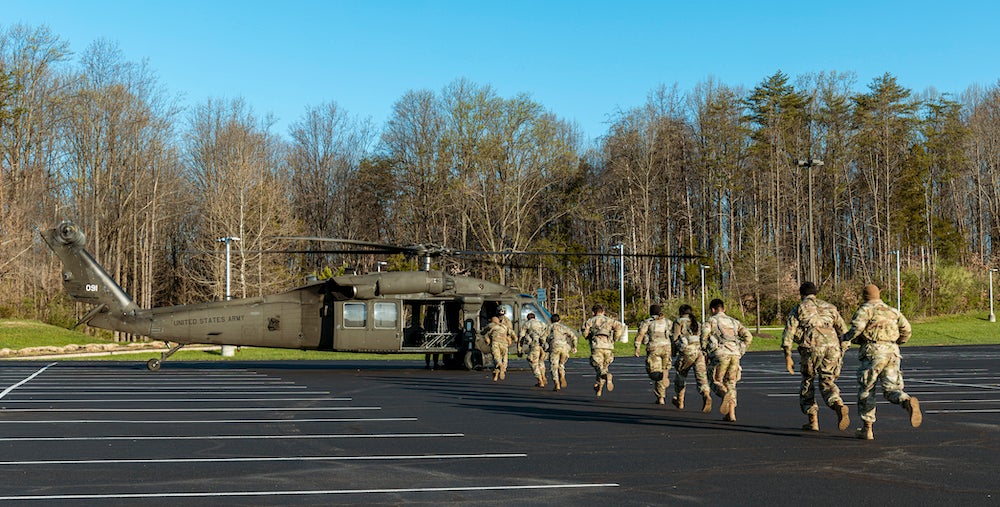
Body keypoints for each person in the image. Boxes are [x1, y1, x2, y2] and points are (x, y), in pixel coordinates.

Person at [842, 284, 922, 440]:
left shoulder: (865, 310)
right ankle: (905, 401)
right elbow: (907, 329)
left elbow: (857, 327)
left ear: (864, 296)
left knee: (867, 388)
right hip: (892, 351)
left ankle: (867, 428)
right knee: (891, 388)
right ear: (878, 295)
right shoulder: (892, 311)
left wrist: (846, 337)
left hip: (873, 351)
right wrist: (897, 342)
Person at [781, 282, 851, 432]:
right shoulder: (830, 307)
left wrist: (788, 355)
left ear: (801, 294)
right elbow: (844, 331)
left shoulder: (800, 307)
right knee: (827, 381)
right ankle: (837, 403)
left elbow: (789, 332)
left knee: (808, 380)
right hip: (833, 347)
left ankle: (813, 421)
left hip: (812, 347)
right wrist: (842, 350)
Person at [702, 298, 753, 422]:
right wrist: (742, 348)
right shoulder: (734, 322)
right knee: (731, 382)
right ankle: (731, 414)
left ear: (713, 310)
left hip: (720, 354)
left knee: (715, 380)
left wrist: (705, 350)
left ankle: (725, 395)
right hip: (735, 354)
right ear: (723, 309)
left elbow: (704, 334)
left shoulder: (712, 320)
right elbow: (748, 336)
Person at [670, 304, 712, 412]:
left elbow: (675, 338)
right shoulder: (697, 323)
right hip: (699, 352)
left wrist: (674, 352)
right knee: (701, 376)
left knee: (681, 375)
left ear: (681, 312)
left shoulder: (679, 322)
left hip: (687, 352)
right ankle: (706, 394)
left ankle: (680, 401)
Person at [634, 304, 673, 404]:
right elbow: (674, 335)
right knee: (663, 370)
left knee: (654, 373)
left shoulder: (647, 322)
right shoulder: (668, 322)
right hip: (667, 348)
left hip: (654, 348)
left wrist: (637, 347)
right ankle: (661, 397)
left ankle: (660, 396)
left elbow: (640, 334)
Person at [583, 304, 625, 396]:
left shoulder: (590, 321)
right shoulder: (609, 320)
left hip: (597, 345)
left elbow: (585, 333)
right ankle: (599, 388)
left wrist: (588, 337)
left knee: (597, 366)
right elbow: (619, 327)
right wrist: (614, 338)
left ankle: (606, 377)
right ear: (603, 312)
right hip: (608, 346)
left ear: (593, 312)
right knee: (604, 368)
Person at [547, 314, 578, 391]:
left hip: (555, 347)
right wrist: (574, 346)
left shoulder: (549, 327)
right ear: (559, 320)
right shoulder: (564, 327)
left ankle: (557, 383)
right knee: (561, 364)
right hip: (564, 347)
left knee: (554, 366)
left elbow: (543, 337)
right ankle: (562, 375)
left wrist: (545, 345)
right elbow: (574, 337)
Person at [520, 312, 550, 387]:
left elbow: (521, 336)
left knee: (533, 363)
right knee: (541, 362)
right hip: (542, 346)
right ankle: (543, 376)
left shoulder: (527, 324)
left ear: (527, 318)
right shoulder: (542, 323)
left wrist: (519, 348)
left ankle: (540, 380)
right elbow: (547, 332)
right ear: (535, 318)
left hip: (534, 346)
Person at [483, 316, 512, 382]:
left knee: (496, 358)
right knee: (504, 358)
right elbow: (511, 333)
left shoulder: (491, 326)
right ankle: (499, 372)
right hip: (504, 344)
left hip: (495, 344)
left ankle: (499, 366)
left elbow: (485, 332)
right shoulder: (504, 326)